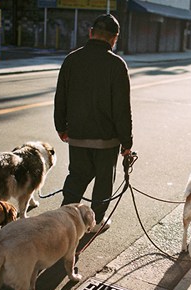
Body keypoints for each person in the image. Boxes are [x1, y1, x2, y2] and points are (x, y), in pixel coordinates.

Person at [54, 13, 133, 233]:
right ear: (114, 39)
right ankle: (95, 223)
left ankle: (64, 220)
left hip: (77, 135)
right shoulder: (117, 65)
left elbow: (61, 96)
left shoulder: (72, 59)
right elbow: (122, 109)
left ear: (91, 33)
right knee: (103, 183)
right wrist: (127, 142)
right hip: (107, 140)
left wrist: (61, 127)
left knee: (76, 178)